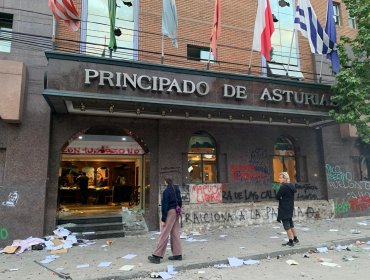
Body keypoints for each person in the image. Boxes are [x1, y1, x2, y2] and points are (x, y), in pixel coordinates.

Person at [148, 178, 183, 264]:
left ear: (166, 182)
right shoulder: (176, 189)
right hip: (177, 212)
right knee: (175, 233)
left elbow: (164, 206)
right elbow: (180, 201)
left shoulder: (166, 191)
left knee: (164, 233)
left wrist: (163, 219)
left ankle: (157, 256)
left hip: (170, 212)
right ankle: (177, 254)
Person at [276, 171, 299, 247]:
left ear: (285, 179)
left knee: (286, 226)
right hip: (290, 207)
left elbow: (277, 197)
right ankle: (295, 238)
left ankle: (291, 241)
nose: (279, 179)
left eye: (280, 178)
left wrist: (279, 191)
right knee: (291, 223)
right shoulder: (291, 185)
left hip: (284, 208)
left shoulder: (283, 187)